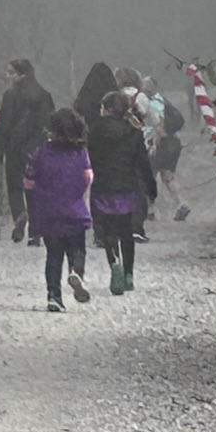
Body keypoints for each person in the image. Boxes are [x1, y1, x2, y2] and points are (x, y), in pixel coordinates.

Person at [27, 107, 97, 309]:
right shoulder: (81, 153)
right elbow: (88, 177)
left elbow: (29, 181)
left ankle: (54, 297)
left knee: (54, 255)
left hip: (49, 212)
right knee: (77, 249)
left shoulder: (42, 153)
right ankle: (76, 272)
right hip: (75, 210)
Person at [90, 86, 156, 294]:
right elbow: (143, 163)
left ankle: (114, 264)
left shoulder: (95, 131)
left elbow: (88, 158)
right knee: (126, 231)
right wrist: (151, 188)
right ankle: (129, 274)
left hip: (103, 186)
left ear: (106, 109)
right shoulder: (134, 133)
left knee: (108, 230)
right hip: (127, 186)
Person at [0, 59, 57, 244]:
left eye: (11, 72)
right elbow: (49, 123)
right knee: (35, 189)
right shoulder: (44, 95)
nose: (8, 76)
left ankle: (19, 215)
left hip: (14, 147)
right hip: (36, 149)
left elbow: (4, 123)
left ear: (22, 75)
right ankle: (35, 232)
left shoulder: (10, 95)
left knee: (14, 187)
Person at [153, 87, 193, 218]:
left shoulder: (149, 103)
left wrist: (154, 143)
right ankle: (181, 202)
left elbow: (158, 127)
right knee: (167, 176)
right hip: (173, 141)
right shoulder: (162, 101)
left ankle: (152, 210)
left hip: (161, 143)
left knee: (150, 176)